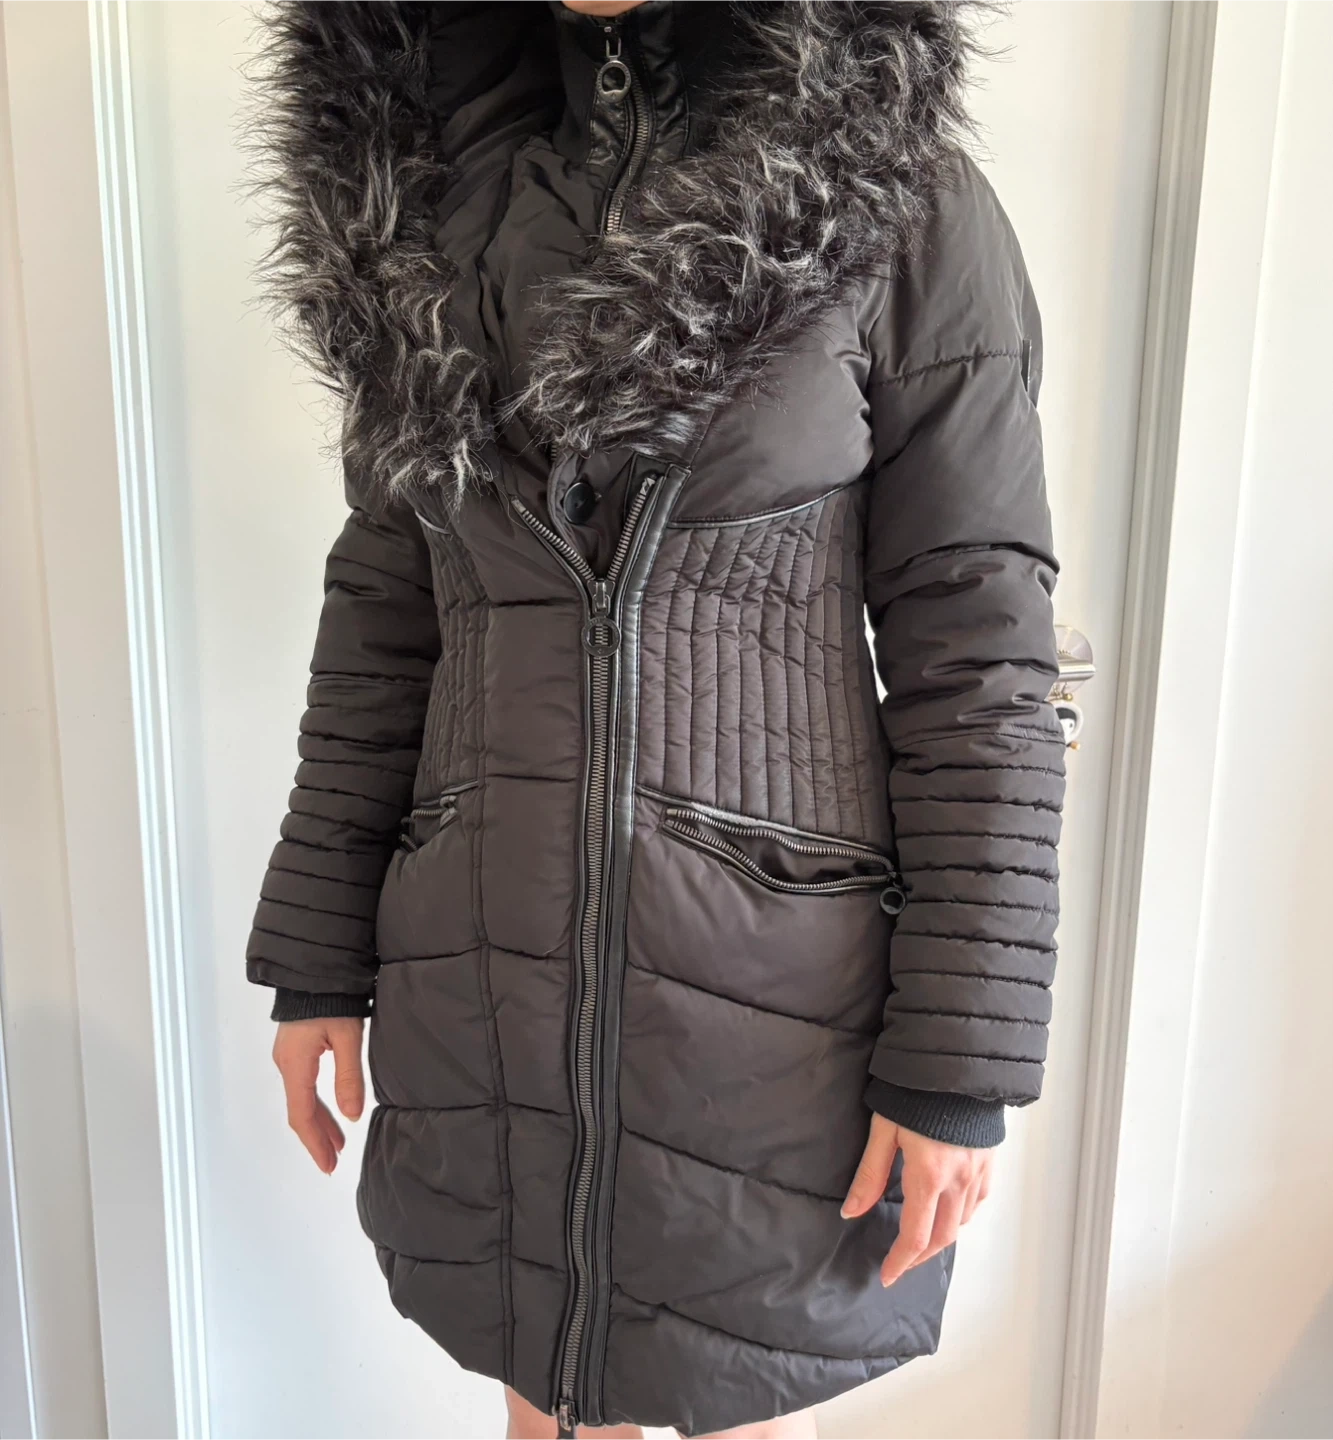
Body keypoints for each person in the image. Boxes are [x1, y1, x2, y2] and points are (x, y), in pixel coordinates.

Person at [245, 0, 1067, 1437]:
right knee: (544, 1395)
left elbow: (979, 653)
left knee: (726, 1382)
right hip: (482, 973)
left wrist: (958, 1063)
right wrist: (317, 954)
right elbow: (386, 610)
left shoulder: (893, 193)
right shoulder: (420, 191)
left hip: (772, 1015)